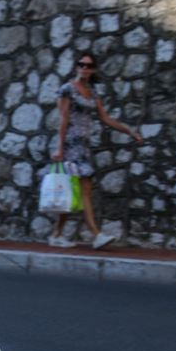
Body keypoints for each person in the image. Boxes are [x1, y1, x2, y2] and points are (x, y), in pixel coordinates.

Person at [49, 53, 144, 249]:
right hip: (70, 145)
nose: (84, 68)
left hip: (83, 145)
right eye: (81, 64)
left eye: (88, 65)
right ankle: (96, 235)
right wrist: (59, 147)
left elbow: (105, 118)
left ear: (93, 69)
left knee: (75, 190)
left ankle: (57, 234)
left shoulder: (92, 92)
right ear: (76, 67)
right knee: (83, 189)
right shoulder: (67, 89)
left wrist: (129, 131)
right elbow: (63, 118)